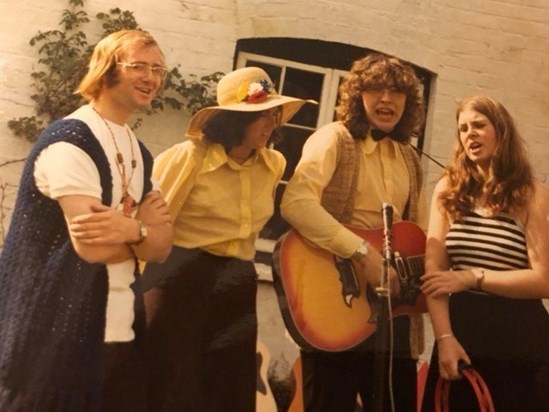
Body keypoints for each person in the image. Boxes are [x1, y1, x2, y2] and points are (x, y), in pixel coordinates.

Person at [0, 29, 173, 411]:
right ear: (107, 69)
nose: (152, 78)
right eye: (139, 66)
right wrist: (142, 230)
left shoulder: (140, 153)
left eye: (158, 69)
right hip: (53, 338)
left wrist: (130, 228)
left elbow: (163, 247)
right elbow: (92, 249)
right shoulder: (69, 143)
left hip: (120, 334)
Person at [141, 66, 310, 412]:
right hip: (180, 278)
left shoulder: (274, 163)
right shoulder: (188, 158)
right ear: (233, 120)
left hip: (237, 280)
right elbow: (149, 226)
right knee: (171, 389)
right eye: (259, 116)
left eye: (273, 114)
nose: (269, 124)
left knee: (228, 392)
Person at [280, 53, 426, 411]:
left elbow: (419, 235)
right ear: (358, 96)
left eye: (396, 91)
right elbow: (295, 204)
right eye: (376, 89)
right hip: (335, 306)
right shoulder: (334, 138)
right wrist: (363, 253)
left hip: (393, 312)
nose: (387, 99)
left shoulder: (410, 158)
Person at [420, 95, 549, 411]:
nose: (470, 134)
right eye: (463, 128)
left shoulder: (532, 194)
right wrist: (444, 338)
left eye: (479, 125)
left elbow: (544, 280)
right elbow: (434, 276)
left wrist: (472, 277)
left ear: (501, 131)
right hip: (462, 335)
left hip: (521, 343)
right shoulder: (448, 189)